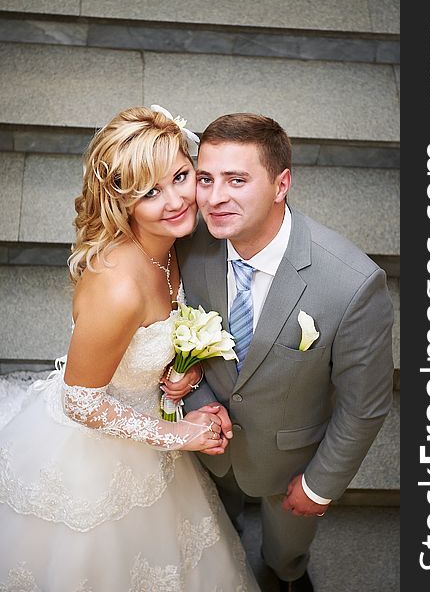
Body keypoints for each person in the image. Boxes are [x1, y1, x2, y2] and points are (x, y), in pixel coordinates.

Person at [0, 106, 260, 591]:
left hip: (148, 421)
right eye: (149, 192)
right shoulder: (118, 285)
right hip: (91, 455)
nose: (178, 200)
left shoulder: (176, 245)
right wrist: (178, 435)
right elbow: (79, 401)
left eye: (181, 176)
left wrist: (185, 374)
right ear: (122, 202)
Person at [176, 113, 394, 591]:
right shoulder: (187, 249)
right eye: (206, 179)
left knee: (286, 551)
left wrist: (319, 484)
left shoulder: (352, 284)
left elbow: (365, 404)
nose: (214, 198)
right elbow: (171, 332)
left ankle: (285, 573)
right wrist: (194, 405)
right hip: (206, 447)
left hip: (291, 459)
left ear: (281, 184)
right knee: (213, 527)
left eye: (237, 180)